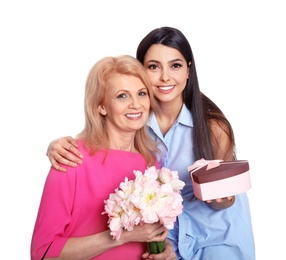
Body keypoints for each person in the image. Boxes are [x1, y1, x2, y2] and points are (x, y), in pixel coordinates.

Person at [46, 27, 255, 259]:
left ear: (188, 70)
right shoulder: (134, 122)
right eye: (154, 67)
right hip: (165, 239)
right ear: (140, 71)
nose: (165, 77)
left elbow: (223, 202)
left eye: (175, 65)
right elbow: (99, 137)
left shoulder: (213, 129)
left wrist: (222, 197)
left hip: (215, 236)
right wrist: (57, 144)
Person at [31, 55, 176, 260]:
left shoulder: (151, 163)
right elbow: (43, 253)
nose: (136, 104)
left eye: (141, 94)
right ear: (101, 106)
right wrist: (121, 236)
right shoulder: (71, 159)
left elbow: (149, 234)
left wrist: (165, 249)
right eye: (122, 96)